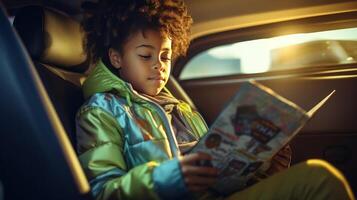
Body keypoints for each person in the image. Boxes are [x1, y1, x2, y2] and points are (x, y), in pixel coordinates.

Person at [76, 0, 355, 199]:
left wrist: (265, 167)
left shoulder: (182, 109)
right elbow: (103, 191)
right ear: (116, 58)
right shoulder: (102, 110)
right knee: (318, 178)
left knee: (315, 177)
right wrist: (166, 179)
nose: (159, 65)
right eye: (146, 56)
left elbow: (220, 179)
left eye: (165, 56)